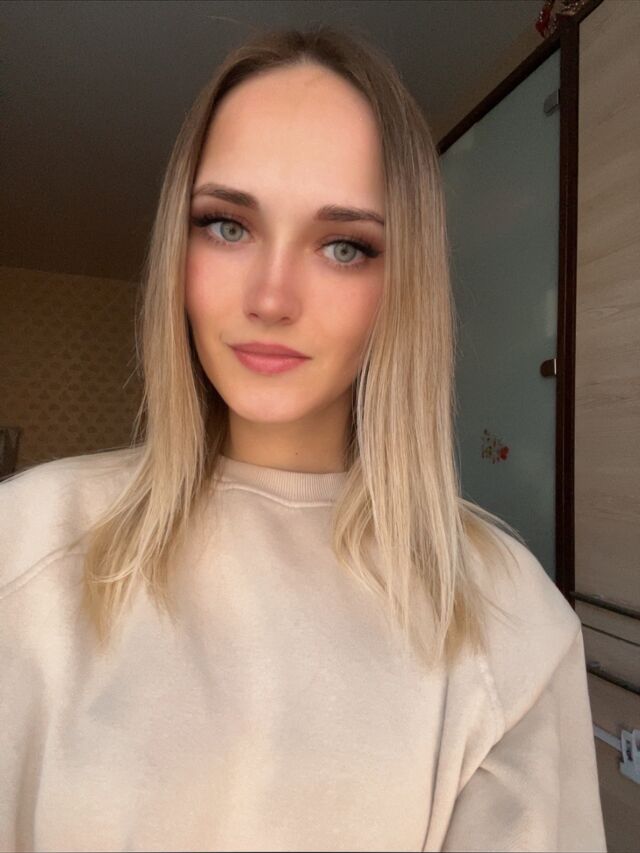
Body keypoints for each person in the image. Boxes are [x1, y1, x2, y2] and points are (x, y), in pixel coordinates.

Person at [0, 24, 606, 853]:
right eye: (227, 226)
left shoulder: (509, 619)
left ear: (404, 282)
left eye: (343, 245)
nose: (272, 297)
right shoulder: (25, 543)